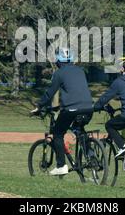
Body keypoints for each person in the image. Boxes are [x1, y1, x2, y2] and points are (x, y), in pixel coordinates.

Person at [31, 47, 93, 175]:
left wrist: (39, 106)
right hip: (88, 108)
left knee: (58, 134)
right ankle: (91, 155)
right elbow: (76, 90)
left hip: (71, 109)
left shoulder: (59, 73)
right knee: (79, 130)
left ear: (58, 61)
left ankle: (61, 165)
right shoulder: (80, 71)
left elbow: (50, 93)